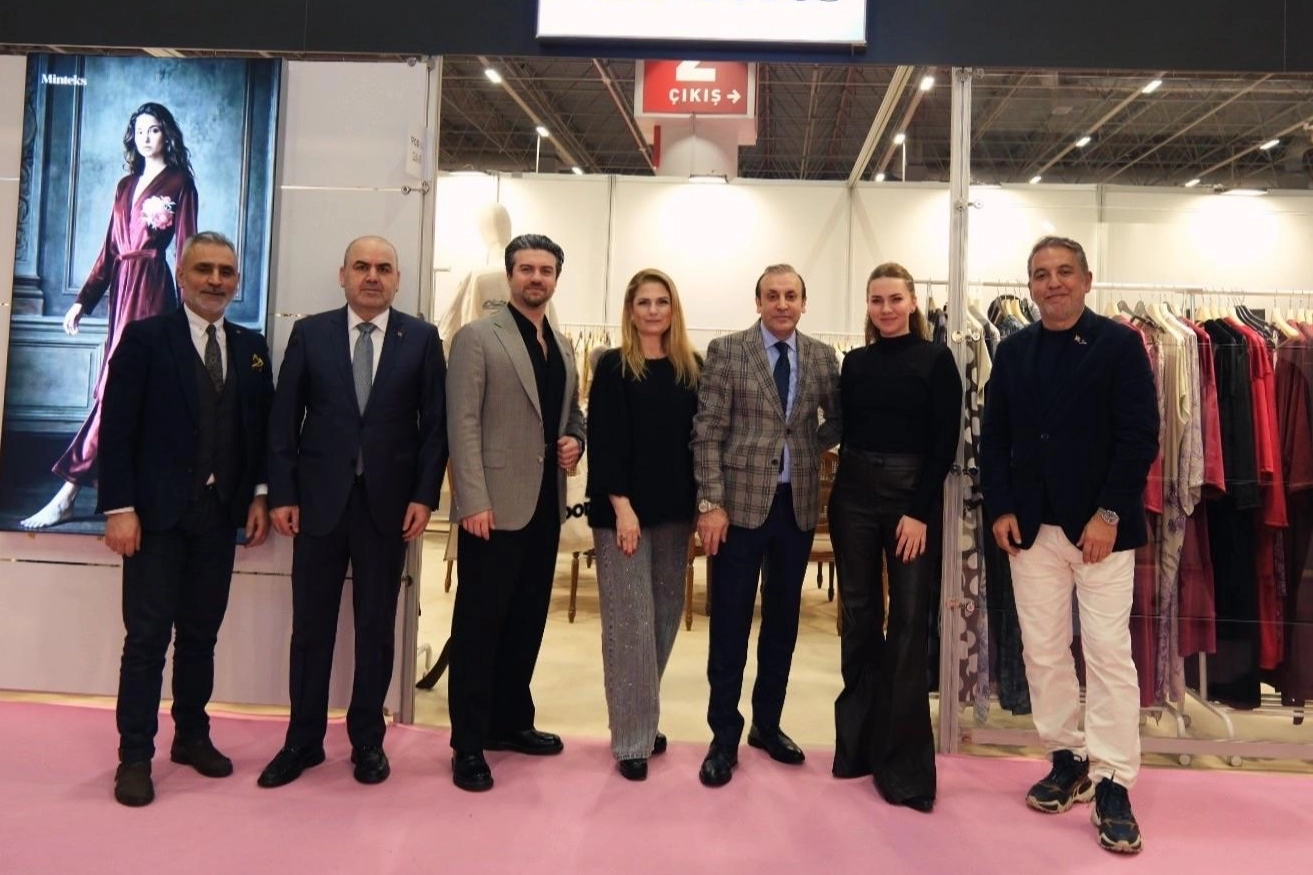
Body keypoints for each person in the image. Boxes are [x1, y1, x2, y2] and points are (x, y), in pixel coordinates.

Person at [980, 235, 1158, 854]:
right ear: (1030, 286)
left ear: (1086, 279)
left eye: (1063, 271)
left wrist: (1109, 512)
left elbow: (1140, 436)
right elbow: (995, 435)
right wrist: (1001, 506)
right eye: (1041, 274)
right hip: (1032, 531)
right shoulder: (1013, 350)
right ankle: (1067, 757)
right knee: (1043, 651)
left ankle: (1113, 781)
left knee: (1108, 654)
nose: (1052, 282)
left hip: (1101, 533)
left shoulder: (1121, 345)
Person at [258, 236, 447, 789]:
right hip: (317, 505)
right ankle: (303, 740)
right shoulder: (311, 333)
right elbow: (283, 420)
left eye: (383, 268)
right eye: (361, 266)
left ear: (397, 279)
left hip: (389, 508)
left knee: (376, 628)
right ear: (342, 274)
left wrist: (424, 497)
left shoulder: (422, 339)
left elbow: (435, 429)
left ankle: (368, 740)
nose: (372, 276)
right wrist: (283, 494)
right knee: (310, 628)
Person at [98, 231, 273, 807]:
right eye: (204, 269)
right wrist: (120, 509)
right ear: (182, 275)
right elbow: (117, 429)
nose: (215, 281)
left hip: (218, 519)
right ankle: (134, 756)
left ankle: (191, 737)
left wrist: (259, 495)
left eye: (226, 271)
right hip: (154, 520)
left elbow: (259, 433)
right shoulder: (146, 339)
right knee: (147, 640)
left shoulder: (251, 347)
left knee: (201, 636)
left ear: (237, 281)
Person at [691, 263, 841, 788]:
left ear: (803, 303)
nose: (782, 304)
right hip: (736, 509)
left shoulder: (821, 357)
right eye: (772, 295)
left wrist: (805, 448)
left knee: (782, 622)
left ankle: (767, 725)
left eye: (791, 296)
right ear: (758, 302)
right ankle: (723, 736)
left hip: (795, 508)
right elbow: (707, 431)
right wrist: (711, 502)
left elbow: (839, 417)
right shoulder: (728, 351)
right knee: (730, 623)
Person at [445, 233, 585, 792]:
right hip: (493, 507)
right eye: (526, 269)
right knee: (479, 625)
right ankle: (468, 743)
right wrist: (471, 499)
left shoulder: (564, 345)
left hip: (545, 505)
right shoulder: (478, 337)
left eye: (545, 270)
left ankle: (510, 722)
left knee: (526, 621)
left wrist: (575, 440)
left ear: (556, 279)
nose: (536, 278)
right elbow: (462, 423)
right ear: (510, 276)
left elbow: (572, 414)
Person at [24, 102, 198, 529]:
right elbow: (109, 250)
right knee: (126, 391)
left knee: (119, 388)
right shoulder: (124, 186)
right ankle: (124, 495)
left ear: (167, 135)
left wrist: (191, 314)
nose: (146, 138)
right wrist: (83, 301)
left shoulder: (180, 182)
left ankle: (68, 493)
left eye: (154, 130)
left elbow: (189, 249)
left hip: (153, 290)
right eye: (139, 130)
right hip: (122, 290)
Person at [830, 263, 961, 813]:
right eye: (876, 300)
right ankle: (859, 746)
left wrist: (918, 511)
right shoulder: (855, 363)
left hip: (910, 495)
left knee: (908, 622)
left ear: (911, 303)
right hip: (853, 494)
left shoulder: (936, 360)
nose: (886, 309)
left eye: (894, 299)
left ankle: (904, 768)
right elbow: (842, 430)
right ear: (867, 305)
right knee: (860, 615)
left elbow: (945, 441)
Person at [586, 268, 700, 781]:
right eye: (644, 303)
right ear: (631, 312)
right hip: (623, 515)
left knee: (663, 618)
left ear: (673, 310)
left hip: (675, 513)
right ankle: (631, 739)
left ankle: (642, 715)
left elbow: (698, 444)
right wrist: (622, 507)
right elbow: (605, 441)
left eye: (661, 302)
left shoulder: (691, 368)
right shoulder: (613, 366)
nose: (653, 311)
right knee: (629, 624)